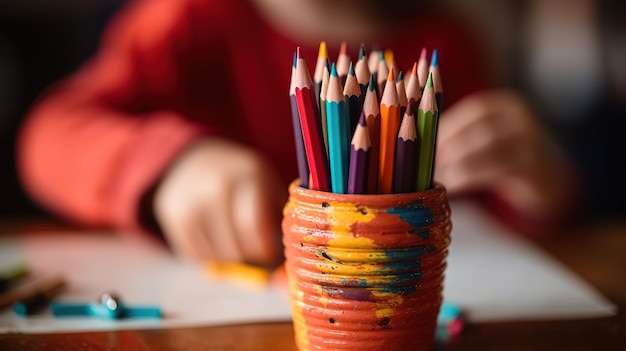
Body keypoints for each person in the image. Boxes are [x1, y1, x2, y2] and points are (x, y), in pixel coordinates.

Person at [17, 0, 577, 268]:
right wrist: (169, 167)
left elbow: (494, 216)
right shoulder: (184, 21)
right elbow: (49, 132)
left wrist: (540, 182)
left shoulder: (447, 46)